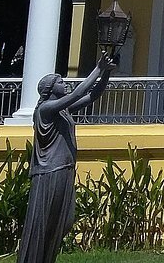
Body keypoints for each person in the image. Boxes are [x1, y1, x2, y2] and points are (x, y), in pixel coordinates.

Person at [19, 54, 116, 263]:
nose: (65, 84)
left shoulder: (62, 111)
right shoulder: (45, 109)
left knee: (63, 222)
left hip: (65, 169)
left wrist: (106, 74)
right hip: (49, 172)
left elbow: (91, 96)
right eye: (60, 82)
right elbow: (77, 93)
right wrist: (98, 69)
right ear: (50, 89)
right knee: (45, 223)